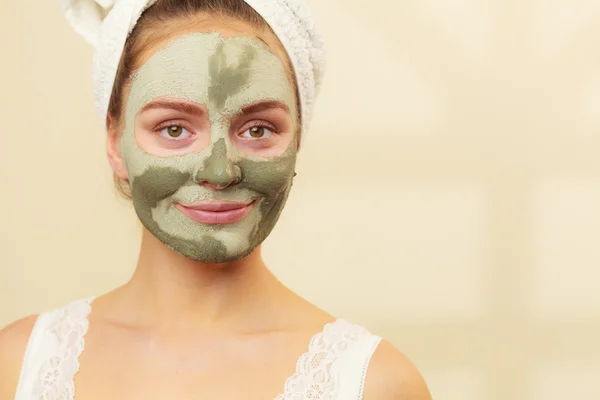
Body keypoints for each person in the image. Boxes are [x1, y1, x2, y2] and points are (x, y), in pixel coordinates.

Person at [0, 0, 432, 398]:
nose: (219, 172)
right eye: (173, 129)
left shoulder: (373, 384)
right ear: (115, 141)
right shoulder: (17, 365)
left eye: (258, 129)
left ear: (298, 139)